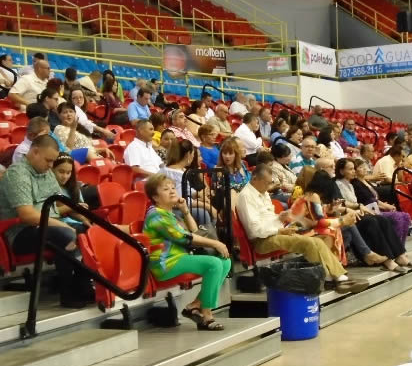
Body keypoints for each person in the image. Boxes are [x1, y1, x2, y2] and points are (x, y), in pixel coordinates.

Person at [236, 165, 368, 293]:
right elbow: (254, 229)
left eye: (270, 182)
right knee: (310, 242)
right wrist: (279, 230)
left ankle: (337, 277)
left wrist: (279, 217)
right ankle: (334, 278)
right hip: (262, 241)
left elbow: (266, 219)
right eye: (267, 183)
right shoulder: (246, 196)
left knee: (317, 242)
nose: (268, 186)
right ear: (255, 179)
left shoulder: (262, 192)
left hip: (276, 232)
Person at [0, 134, 94, 308]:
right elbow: (27, 215)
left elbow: (60, 204)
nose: (51, 165)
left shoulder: (46, 173)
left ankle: (83, 285)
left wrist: (81, 217)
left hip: (48, 225)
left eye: (52, 161)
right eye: (48, 160)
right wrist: (64, 225)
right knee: (63, 234)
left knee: (90, 233)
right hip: (22, 232)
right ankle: (67, 293)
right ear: (35, 152)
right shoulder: (17, 174)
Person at [144, 173, 231, 330]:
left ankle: (195, 305)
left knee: (225, 261)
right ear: (155, 197)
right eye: (165, 189)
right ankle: (206, 314)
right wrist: (216, 243)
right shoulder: (156, 215)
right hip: (165, 263)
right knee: (214, 263)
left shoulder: (169, 213)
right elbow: (185, 237)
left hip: (179, 258)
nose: (172, 191)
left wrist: (185, 211)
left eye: (172, 187)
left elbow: (194, 231)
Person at [330, 162, 412, 272]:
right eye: (350, 169)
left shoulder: (350, 184)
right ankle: (387, 260)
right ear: (341, 171)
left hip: (358, 213)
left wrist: (360, 207)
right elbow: (342, 203)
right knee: (371, 221)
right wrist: (359, 207)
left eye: (353, 168)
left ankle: (399, 255)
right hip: (348, 216)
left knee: (382, 219)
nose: (353, 171)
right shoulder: (337, 184)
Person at [351, 158, 412, 242]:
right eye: (361, 167)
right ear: (355, 170)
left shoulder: (366, 181)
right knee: (398, 217)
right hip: (371, 210)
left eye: (364, 166)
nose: (364, 168)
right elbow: (370, 200)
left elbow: (375, 198)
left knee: (406, 217)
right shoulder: (356, 183)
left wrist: (385, 205)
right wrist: (386, 206)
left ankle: (401, 244)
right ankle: (395, 244)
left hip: (377, 207)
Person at [163, 139, 216, 224]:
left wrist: (199, 195)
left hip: (179, 205)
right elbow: (181, 199)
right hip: (172, 209)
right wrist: (208, 206)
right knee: (203, 213)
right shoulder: (176, 173)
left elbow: (187, 190)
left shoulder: (181, 170)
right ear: (188, 154)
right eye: (193, 154)